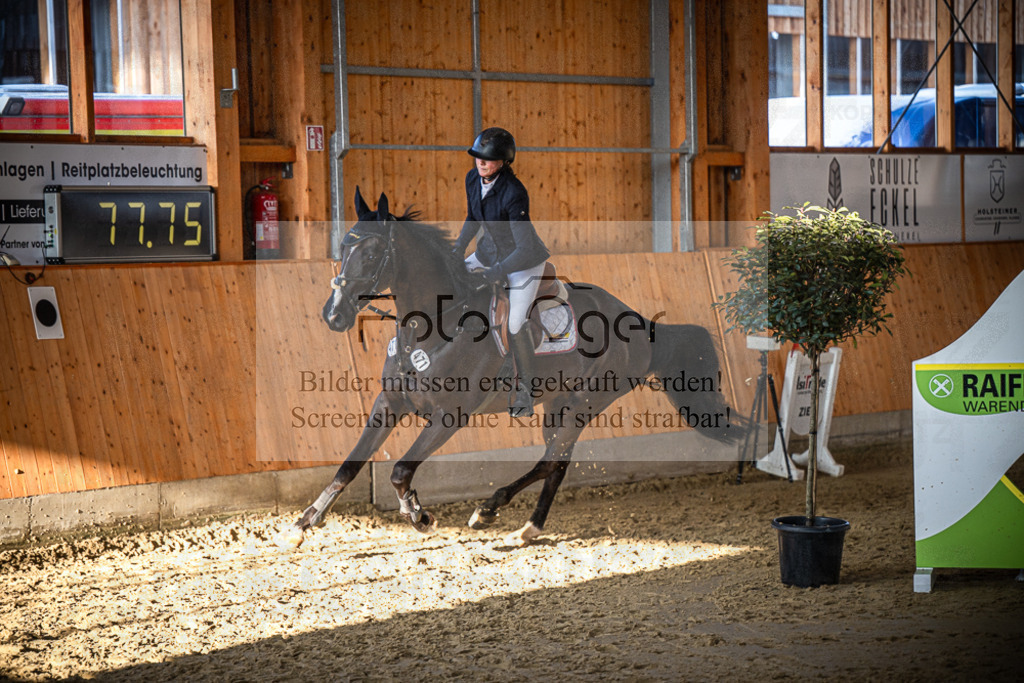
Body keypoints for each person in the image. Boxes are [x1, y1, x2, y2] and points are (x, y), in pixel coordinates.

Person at [452, 127, 550, 418]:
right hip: (489, 253)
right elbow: (472, 217)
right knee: (451, 284)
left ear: (504, 162)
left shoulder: (514, 192)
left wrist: (495, 272)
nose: (481, 163)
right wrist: (457, 250)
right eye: (478, 158)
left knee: (515, 323)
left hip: (523, 262)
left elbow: (523, 247)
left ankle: (526, 390)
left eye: (488, 159)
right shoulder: (472, 178)